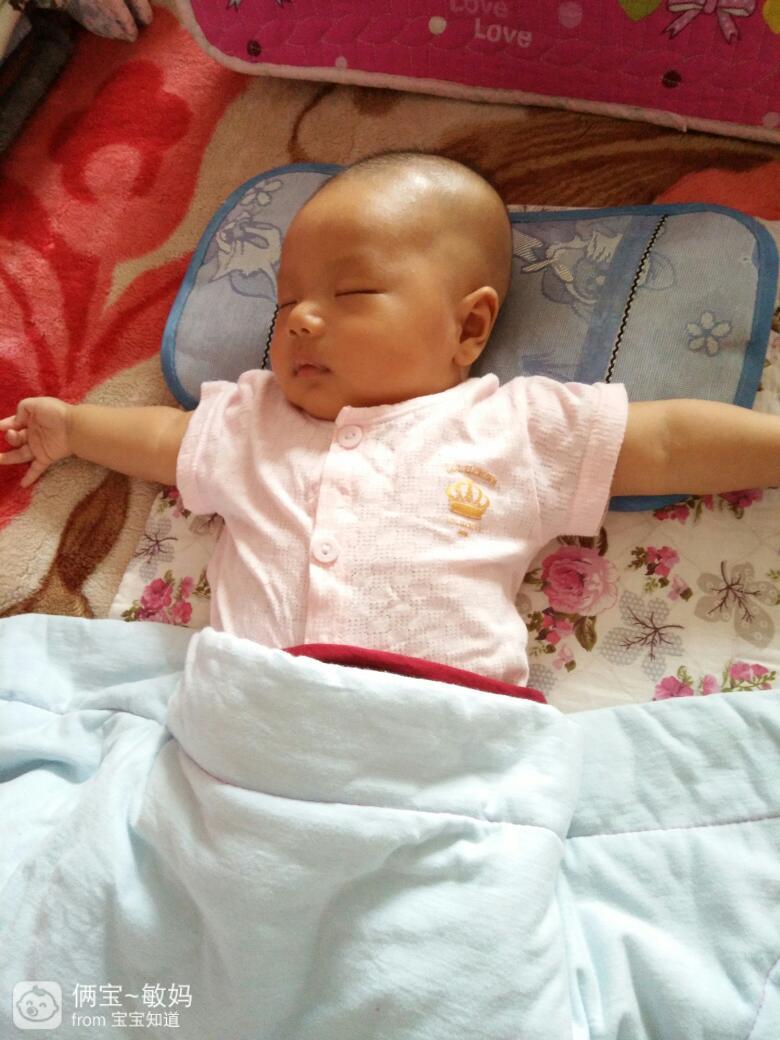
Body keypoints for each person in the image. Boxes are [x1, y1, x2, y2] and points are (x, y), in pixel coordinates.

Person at [2, 150, 779, 685]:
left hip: (439, 724)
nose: (302, 319)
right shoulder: (256, 419)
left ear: (468, 327)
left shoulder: (514, 426)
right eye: (286, 302)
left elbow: (665, 442)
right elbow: (168, 438)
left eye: (352, 294)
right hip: (256, 714)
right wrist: (72, 427)